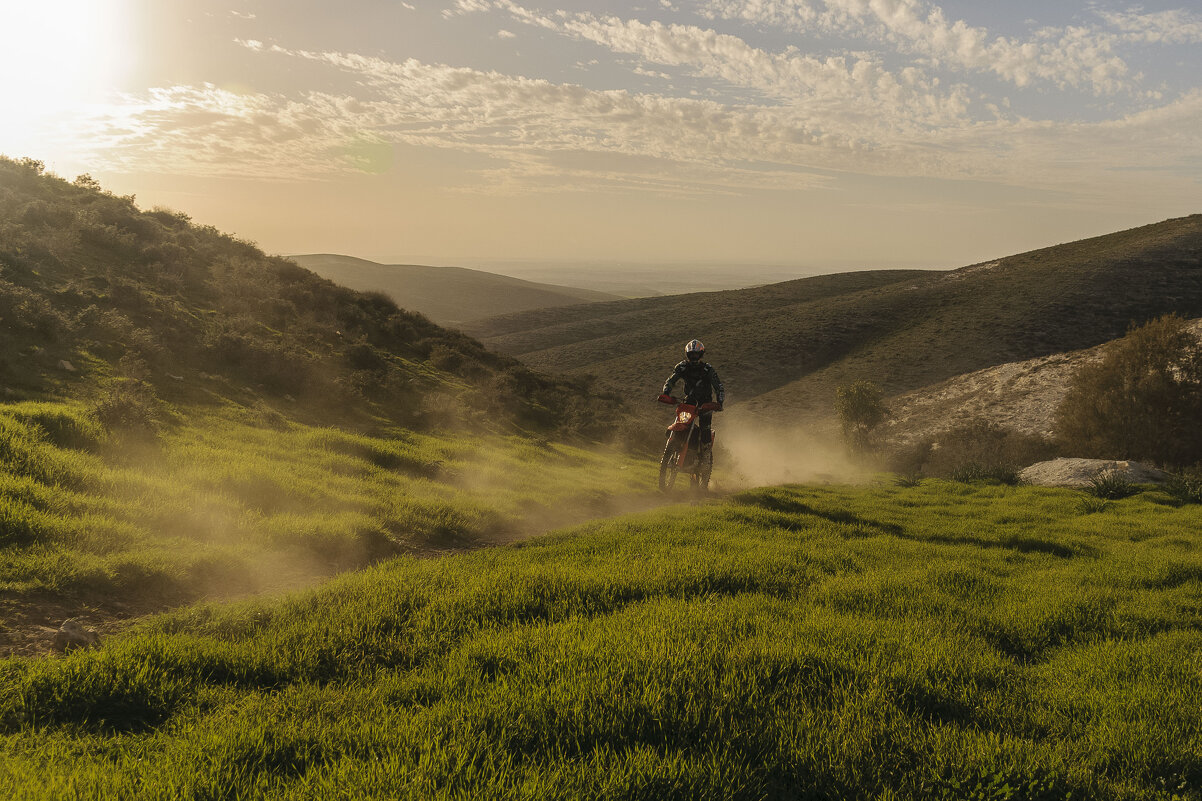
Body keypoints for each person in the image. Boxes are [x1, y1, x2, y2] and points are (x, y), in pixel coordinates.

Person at [659, 339, 725, 448]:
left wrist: (719, 403)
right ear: (687, 355)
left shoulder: (707, 369)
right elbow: (671, 380)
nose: (694, 357)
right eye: (691, 355)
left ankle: (705, 456)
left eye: (696, 355)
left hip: (705, 402)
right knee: (681, 421)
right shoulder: (682, 367)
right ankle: (676, 444)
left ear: (701, 355)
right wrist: (666, 393)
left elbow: (718, 386)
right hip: (690, 400)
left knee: (705, 430)